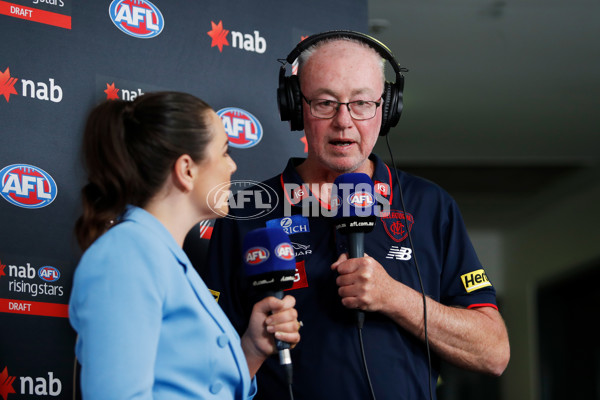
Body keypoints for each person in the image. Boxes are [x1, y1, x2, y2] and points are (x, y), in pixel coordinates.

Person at [200, 32, 510, 400]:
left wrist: (394, 297)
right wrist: (254, 343)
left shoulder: (430, 205)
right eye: (325, 103)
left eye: (362, 103)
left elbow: (493, 352)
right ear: (296, 108)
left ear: (387, 108)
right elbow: (203, 362)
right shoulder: (246, 209)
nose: (344, 121)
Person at [68, 91, 301, 400]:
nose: (232, 166)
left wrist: (252, 348)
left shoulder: (164, 257)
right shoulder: (126, 254)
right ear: (187, 170)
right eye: (224, 152)